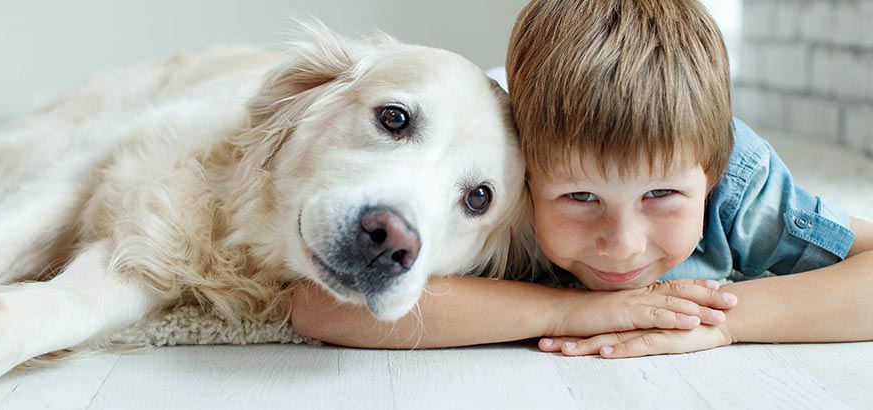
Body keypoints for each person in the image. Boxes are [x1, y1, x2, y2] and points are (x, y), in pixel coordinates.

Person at [290, 0, 873, 358]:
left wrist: (726, 322)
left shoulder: (737, 179)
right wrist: (566, 312)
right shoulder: (497, 185)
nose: (621, 244)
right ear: (527, 185)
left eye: (661, 195)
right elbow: (319, 310)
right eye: (581, 197)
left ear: (710, 176)